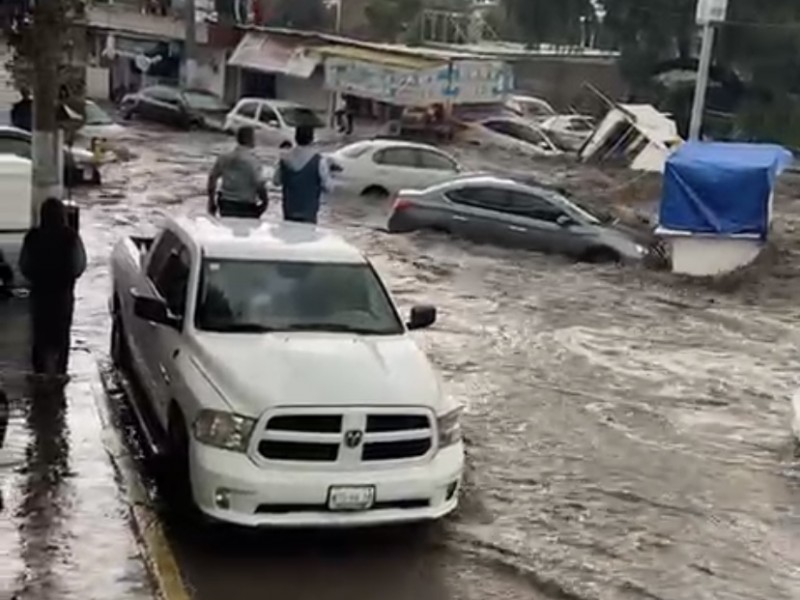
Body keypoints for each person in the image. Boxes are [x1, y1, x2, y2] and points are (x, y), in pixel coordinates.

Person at [19, 198, 87, 377]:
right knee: (62, 334)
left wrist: (36, 277)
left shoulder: (33, 237)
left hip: (40, 294)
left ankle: (40, 372)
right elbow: (79, 265)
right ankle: (59, 372)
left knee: (40, 335)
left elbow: (24, 265)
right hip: (63, 294)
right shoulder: (70, 237)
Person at [272, 125, 332, 225]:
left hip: (289, 212)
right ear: (312, 139)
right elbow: (329, 187)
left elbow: (276, 181)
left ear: (295, 138)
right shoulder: (319, 161)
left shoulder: (284, 159)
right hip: (309, 214)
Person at [207, 126, 268, 219]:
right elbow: (259, 184)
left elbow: (212, 178)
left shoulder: (224, 157)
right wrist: (265, 202)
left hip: (225, 203)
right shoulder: (254, 161)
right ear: (250, 139)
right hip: (246, 206)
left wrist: (211, 200)